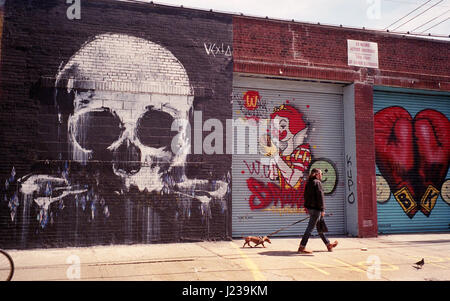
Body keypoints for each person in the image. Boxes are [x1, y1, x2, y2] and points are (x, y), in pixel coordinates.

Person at [298, 168, 338, 254]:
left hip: (311, 209)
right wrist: (322, 209)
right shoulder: (317, 183)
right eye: (321, 173)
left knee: (319, 226)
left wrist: (308, 207)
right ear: (316, 174)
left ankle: (328, 244)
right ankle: (302, 247)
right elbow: (320, 197)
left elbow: (305, 196)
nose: (321, 175)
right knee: (310, 228)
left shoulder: (309, 183)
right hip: (316, 210)